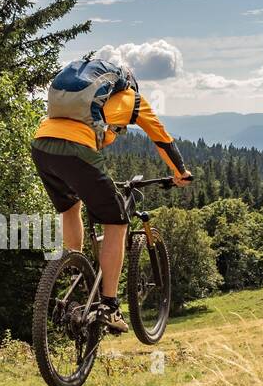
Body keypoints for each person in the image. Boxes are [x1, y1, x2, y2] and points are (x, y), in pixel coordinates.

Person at [31, 59, 191, 332]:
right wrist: (180, 171)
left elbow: (101, 137)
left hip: (42, 147)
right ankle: (110, 306)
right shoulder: (132, 99)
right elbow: (161, 137)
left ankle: (74, 271)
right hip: (77, 152)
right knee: (117, 222)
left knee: (70, 208)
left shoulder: (82, 100)